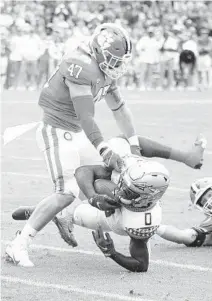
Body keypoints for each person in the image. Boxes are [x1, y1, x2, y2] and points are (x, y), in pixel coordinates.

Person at [5, 22, 206, 268]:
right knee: (66, 192)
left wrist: (132, 143)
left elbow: (119, 109)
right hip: (56, 131)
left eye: (120, 60)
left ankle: (61, 213)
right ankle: (19, 244)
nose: (117, 65)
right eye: (113, 59)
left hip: (76, 133)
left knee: (109, 173)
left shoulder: (103, 72)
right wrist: (103, 148)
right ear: (99, 53)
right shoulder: (81, 66)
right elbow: (86, 115)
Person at [10, 138, 170, 272]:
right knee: (100, 183)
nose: (121, 188)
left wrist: (112, 253)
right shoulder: (130, 170)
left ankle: (54, 212)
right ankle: (50, 211)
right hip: (118, 206)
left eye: (128, 191)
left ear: (145, 197)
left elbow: (141, 264)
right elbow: (83, 171)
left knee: (76, 213)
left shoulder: (142, 221)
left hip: (115, 221)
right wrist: (93, 197)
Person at [157, 177, 212, 247]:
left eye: (210, 195)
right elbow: (186, 236)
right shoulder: (209, 224)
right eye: (204, 201)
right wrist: (154, 226)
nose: (209, 201)